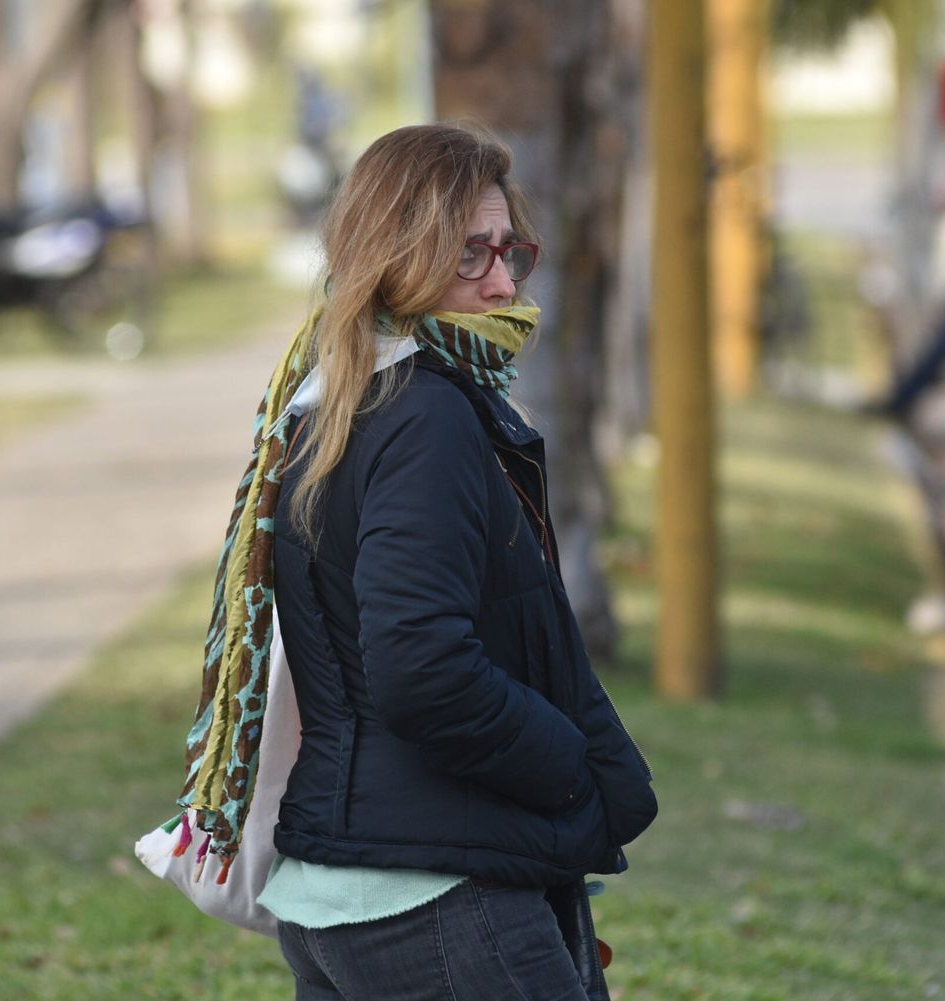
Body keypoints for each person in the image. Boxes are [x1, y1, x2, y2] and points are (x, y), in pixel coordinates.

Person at [187, 124, 657, 1000]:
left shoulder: (336, 400)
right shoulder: (425, 415)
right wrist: (568, 764)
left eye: (510, 248)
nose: (504, 281)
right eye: (469, 252)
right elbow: (420, 668)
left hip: (343, 902)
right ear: (400, 256)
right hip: (439, 902)